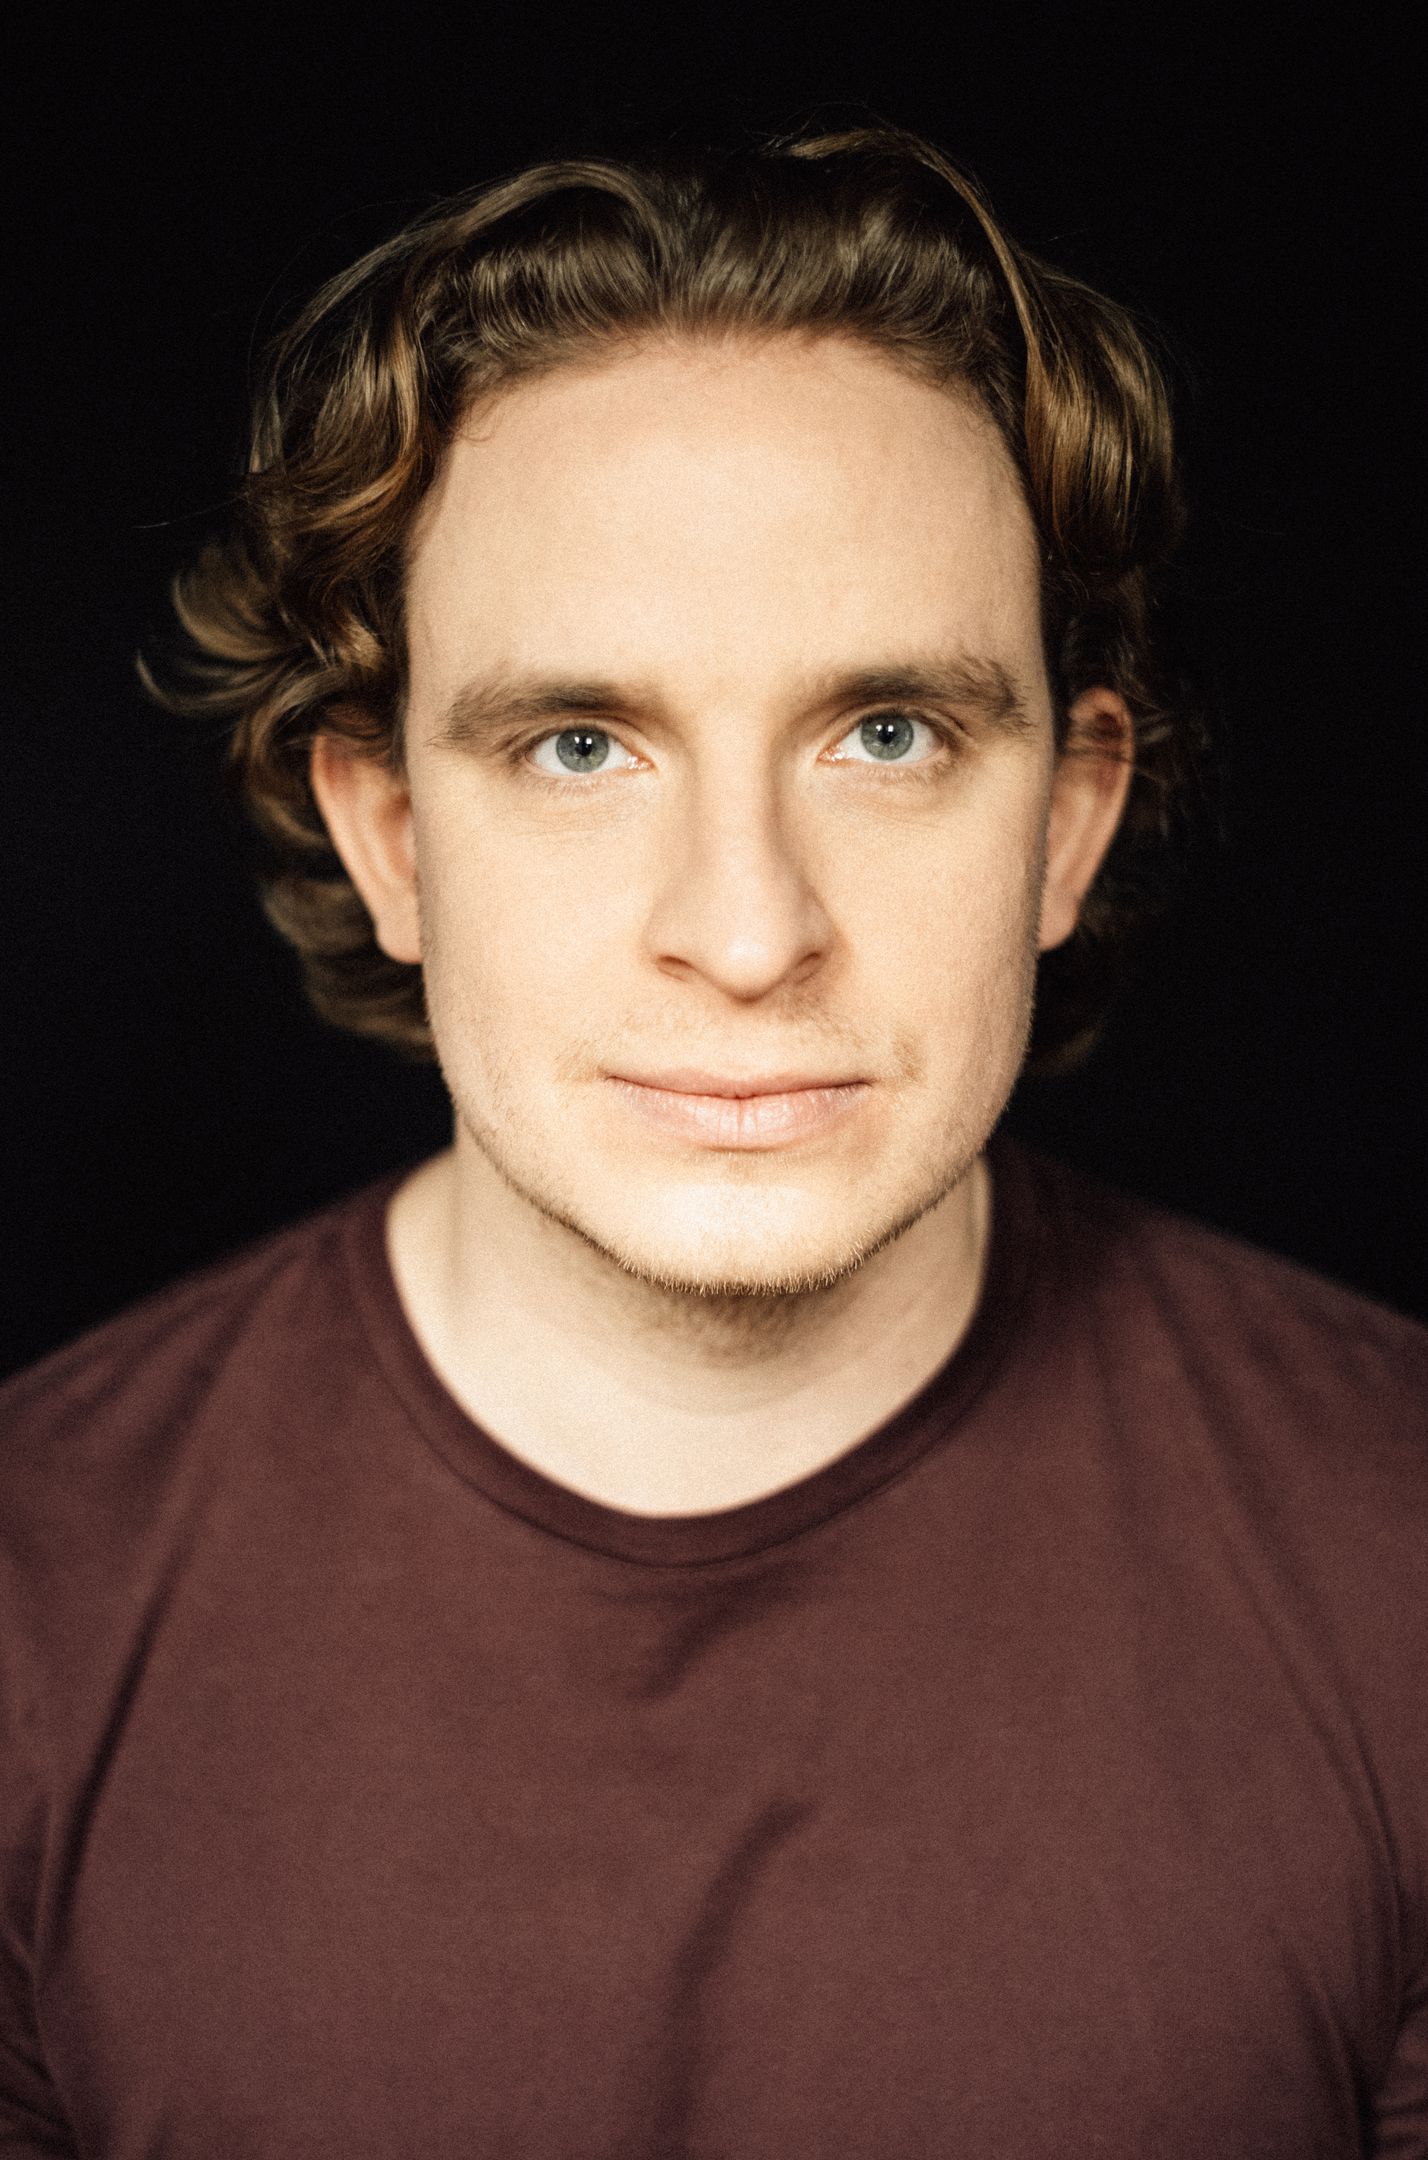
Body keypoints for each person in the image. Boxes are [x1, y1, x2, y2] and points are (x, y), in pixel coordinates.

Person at [1, 122, 1424, 2160]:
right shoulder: (33, 1623)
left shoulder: (1399, 1564)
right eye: (580, 746)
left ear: (1068, 820)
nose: (749, 934)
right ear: (389, 836)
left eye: (887, 735)